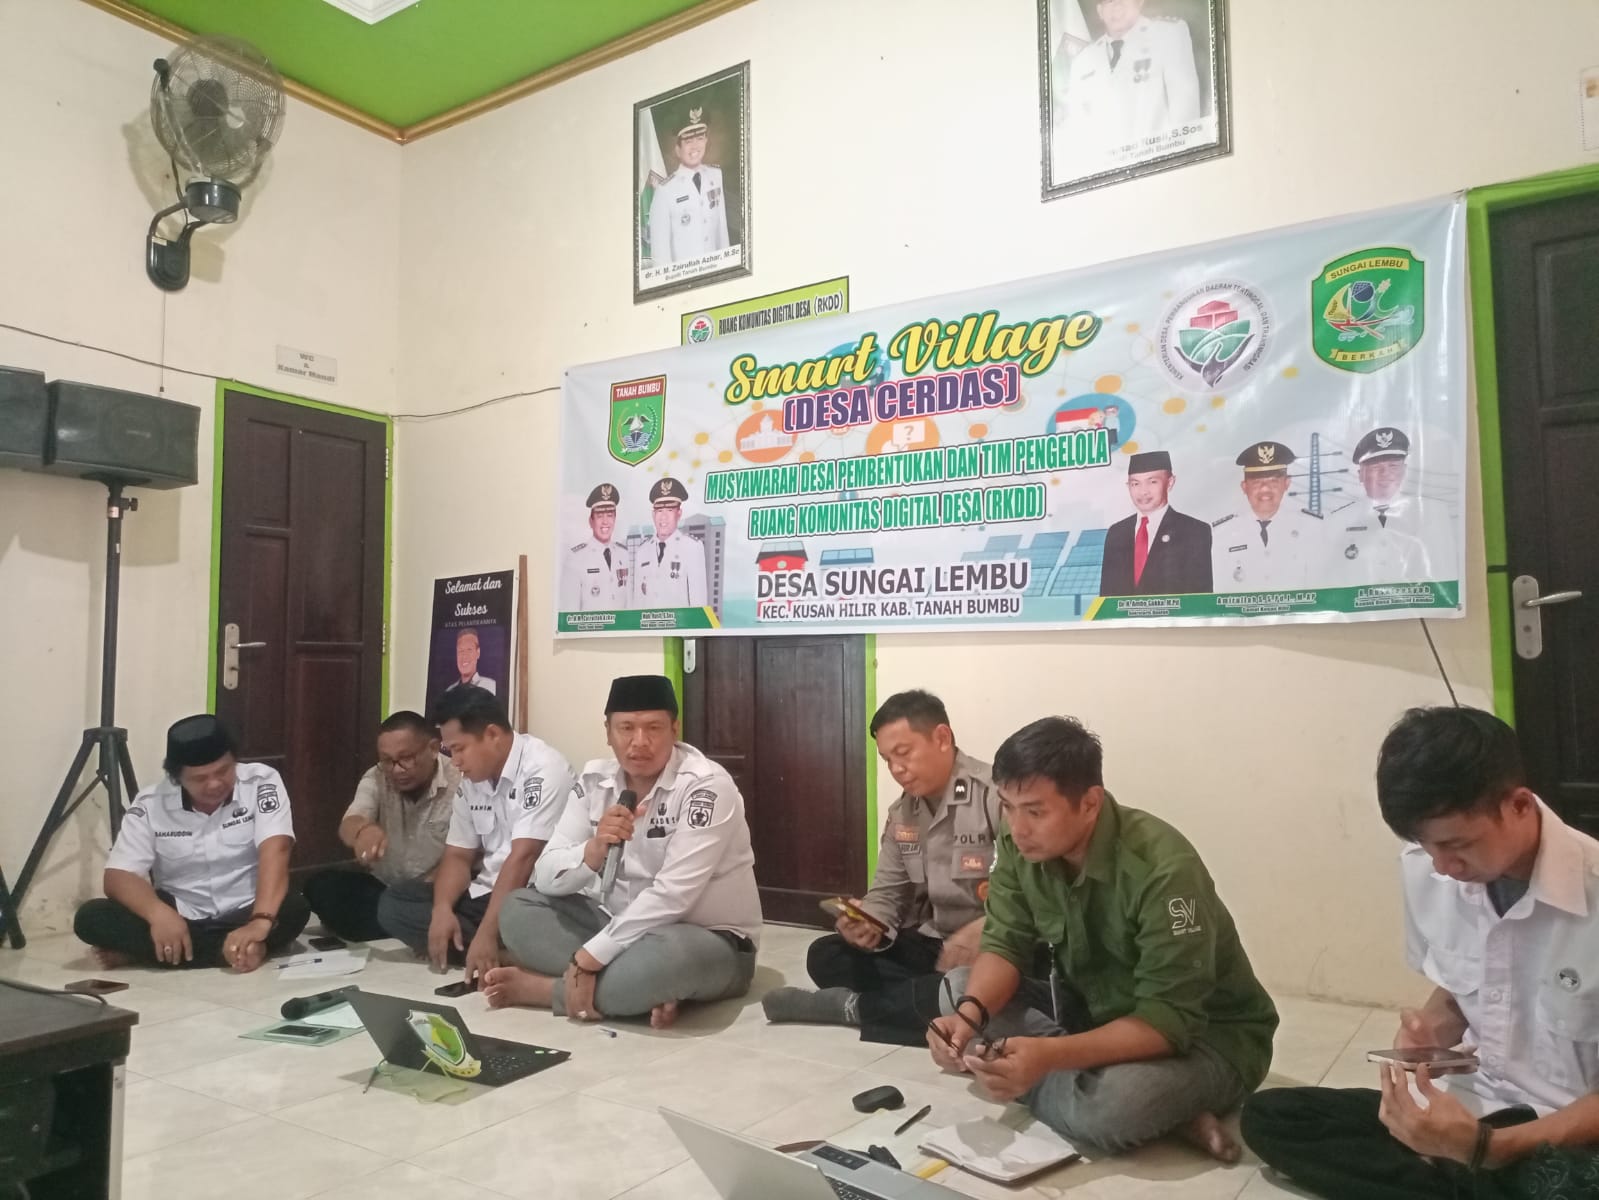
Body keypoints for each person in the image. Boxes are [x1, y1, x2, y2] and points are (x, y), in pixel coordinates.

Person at [1242, 707, 1599, 1198]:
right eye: (1428, 846)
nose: (1444, 867)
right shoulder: (1426, 869)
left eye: (1457, 844)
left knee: (1565, 1185)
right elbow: (1459, 991)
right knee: (1272, 1117)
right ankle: (1462, 1179)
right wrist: (1428, 1033)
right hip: (1475, 1105)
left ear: (1518, 805)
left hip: (1563, 1132)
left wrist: (1491, 1148)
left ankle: (1463, 1178)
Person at [926, 716, 1277, 1161]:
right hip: (1094, 1018)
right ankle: (1158, 1110)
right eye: (1008, 807)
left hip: (1207, 1040)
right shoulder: (1020, 847)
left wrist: (1046, 1057)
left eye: (1035, 811)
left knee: (1116, 1107)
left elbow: (1168, 1019)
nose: (1017, 828)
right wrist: (969, 1019)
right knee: (957, 990)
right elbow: (1004, 944)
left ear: (1090, 803)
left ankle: (1123, 1100)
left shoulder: (1164, 868)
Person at [485, 674, 761, 1029]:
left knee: (670, 960)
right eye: (626, 728)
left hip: (703, 938)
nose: (639, 741)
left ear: (675, 729)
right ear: (608, 732)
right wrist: (592, 851)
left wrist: (588, 958)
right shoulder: (594, 782)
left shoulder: (706, 787)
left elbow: (674, 895)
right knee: (518, 909)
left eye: (654, 728)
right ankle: (638, 990)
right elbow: (546, 875)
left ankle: (551, 991)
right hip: (617, 926)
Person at [762, 689, 1001, 1044]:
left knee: (982, 985)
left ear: (941, 738)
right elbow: (888, 895)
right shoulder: (902, 813)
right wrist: (868, 924)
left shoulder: (996, 796)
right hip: (937, 947)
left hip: (995, 949)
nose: (896, 769)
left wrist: (989, 929)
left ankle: (855, 1008)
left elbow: (1032, 892)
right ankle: (932, 1003)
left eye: (903, 753)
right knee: (826, 956)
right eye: (888, 759)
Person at [73, 714, 308, 971]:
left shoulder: (261, 782)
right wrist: (159, 915)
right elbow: (118, 876)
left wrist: (260, 921)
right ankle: (242, 950)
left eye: (223, 771)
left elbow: (276, 849)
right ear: (177, 778)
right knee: (91, 918)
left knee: (295, 908)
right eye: (199, 778)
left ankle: (159, 953)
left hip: (248, 908)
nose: (215, 784)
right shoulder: (151, 804)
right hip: (182, 914)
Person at [377, 687, 573, 983]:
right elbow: (458, 855)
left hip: (531, 898)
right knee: (395, 903)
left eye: (459, 749)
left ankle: (494, 950)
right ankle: (507, 956)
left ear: (492, 734)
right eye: (450, 751)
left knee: (523, 917)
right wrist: (442, 910)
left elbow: (524, 858)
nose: (454, 761)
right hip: (486, 893)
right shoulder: (472, 780)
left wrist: (486, 934)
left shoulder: (544, 769)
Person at [301, 711, 459, 942]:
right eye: (387, 760)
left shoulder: (460, 781)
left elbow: (467, 856)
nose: (396, 769)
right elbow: (350, 822)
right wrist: (363, 832)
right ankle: (402, 924)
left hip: (436, 890)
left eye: (406, 758)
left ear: (433, 748)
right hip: (386, 886)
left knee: (457, 902)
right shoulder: (376, 776)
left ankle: (399, 922)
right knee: (319, 886)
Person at [1058, 0, 1201, 175]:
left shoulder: (1168, 34)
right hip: (1107, 175)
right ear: (1100, 11)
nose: (1116, 5)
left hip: (1160, 167)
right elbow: (1079, 130)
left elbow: (1186, 116)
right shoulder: (1084, 60)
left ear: (1139, 2)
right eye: (1109, 1)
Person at [1336, 426, 1458, 586]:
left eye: (1393, 466)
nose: (1385, 473)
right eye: (1375, 467)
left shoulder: (1433, 512)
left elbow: (1446, 573)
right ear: (1360, 475)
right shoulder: (1338, 519)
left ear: (1404, 470)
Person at [1211, 440, 1324, 591]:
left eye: (1273, 481)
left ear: (1287, 483)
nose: (1265, 488)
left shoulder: (1311, 527)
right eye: (1257, 482)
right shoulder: (1221, 533)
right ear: (1244, 487)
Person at [1099, 450, 1213, 596]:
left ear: (1170, 483)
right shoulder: (1117, 533)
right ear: (1128, 486)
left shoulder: (1194, 531)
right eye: (1135, 484)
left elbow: (1200, 598)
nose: (1143, 491)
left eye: (1152, 482)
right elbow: (1106, 596)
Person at [645, 106, 730, 267]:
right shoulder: (665, 191)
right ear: (678, 148)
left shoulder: (715, 175)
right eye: (688, 141)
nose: (695, 147)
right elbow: (660, 256)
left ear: (706, 140)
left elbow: (722, 233)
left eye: (700, 138)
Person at [633, 476, 709, 607]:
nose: (663, 517)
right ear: (653, 514)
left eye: (669, 510)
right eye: (659, 511)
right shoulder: (642, 550)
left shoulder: (692, 547)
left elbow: (699, 604)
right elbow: (637, 603)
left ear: (679, 513)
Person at [563, 482, 630, 611]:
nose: (605, 522)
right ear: (591, 521)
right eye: (599, 516)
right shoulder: (576, 558)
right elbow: (569, 611)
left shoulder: (624, 555)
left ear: (615, 519)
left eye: (609, 515)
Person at [443, 628, 497, 696]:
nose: (464, 656)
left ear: (478, 653)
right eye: (461, 651)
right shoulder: (449, 692)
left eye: (469, 650)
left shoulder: (491, 687)